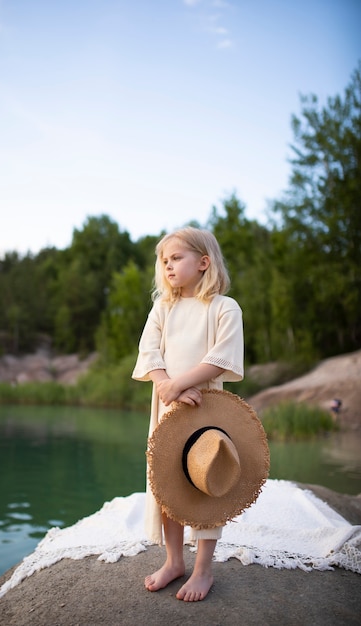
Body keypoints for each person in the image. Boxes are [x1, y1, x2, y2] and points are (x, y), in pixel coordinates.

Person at [132, 226, 244, 602]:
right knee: (169, 484)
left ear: (203, 262)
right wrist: (167, 384)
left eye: (176, 258)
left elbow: (221, 357)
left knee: (205, 480)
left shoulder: (223, 307)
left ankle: (203, 568)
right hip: (167, 408)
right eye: (163, 261)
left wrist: (180, 385)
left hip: (205, 407)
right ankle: (174, 561)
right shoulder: (163, 307)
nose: (167, 266)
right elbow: (149, 353)